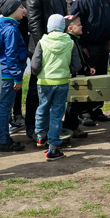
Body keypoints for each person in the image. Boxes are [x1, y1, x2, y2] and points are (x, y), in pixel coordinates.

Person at [24, 0, 68, 141]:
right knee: (36, 88)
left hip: (58, 46)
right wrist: (48, 46)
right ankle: (32, 127)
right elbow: (35, 26)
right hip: (40, 48)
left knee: (55, 87)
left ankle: (50, 127)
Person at [30, 14, 84, 161]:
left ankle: (40, 135)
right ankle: (53, 148)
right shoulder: (70, 42)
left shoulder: (42, 41)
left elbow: (35, 65)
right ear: (63, 27)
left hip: (44, 82)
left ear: (49, 26)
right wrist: (67, 70)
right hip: (61, 82)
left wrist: (40, 73)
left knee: (42, 107)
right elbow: (77, 65)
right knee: (57, 113)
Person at [71, 0, 110, 123]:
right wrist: (81, 46)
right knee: (89, 79)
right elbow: (75, 23)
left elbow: (107, 21)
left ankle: (97, 109)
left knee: (101, 78)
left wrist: (109, 40)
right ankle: (85, 113)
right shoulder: (82, 0)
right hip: (89, 46)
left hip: (103, 45)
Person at [0, 0, 30, 133]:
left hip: (23, 38)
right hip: (11, 37)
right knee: (12, 81)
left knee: (17, 78)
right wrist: (7, 27)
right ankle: (3, 131)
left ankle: (17, 114)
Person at [0, 0, 27, 152]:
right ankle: (3, 140)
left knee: (0, 107)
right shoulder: (11, 29)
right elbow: (11, 54)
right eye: (21, 8)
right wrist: (17, 76)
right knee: (5, 109)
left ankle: (0, 135)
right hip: (8, 75)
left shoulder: (0, 25)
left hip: (1, 72)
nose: (24, 10)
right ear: (12, 11)